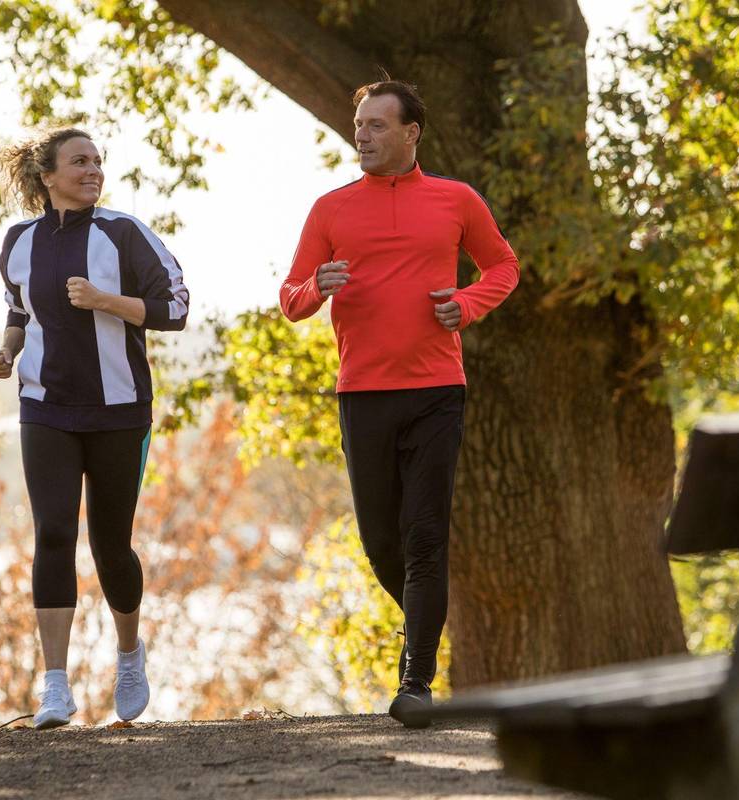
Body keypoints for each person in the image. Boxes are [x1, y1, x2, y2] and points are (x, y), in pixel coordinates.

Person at [280, 80, 519, 727]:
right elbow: (290, 295)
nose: (363, 134)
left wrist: (465, 305)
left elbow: (502, 268)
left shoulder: (456, 200)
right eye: (359, 124)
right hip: (363, 393)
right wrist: (317, 287)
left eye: (377, 125)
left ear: (412, 133)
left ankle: (416, 681)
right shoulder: (331, 209)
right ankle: (424, 624)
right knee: (382, 543)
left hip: (437, 391)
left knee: (424, 539)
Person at [0, 127, 189, 729]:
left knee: (109, 543)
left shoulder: (123, 233)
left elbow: (175, 308)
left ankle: (129, 654)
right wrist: (6, 351)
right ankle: (55, 686)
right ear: (48, 176)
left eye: (98, 160)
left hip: (118, 409)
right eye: (80, 161)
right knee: (53, 533)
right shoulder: (18, 242)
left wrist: (107, 300)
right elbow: (18, 312)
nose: (93, 169)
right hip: (45, 405)